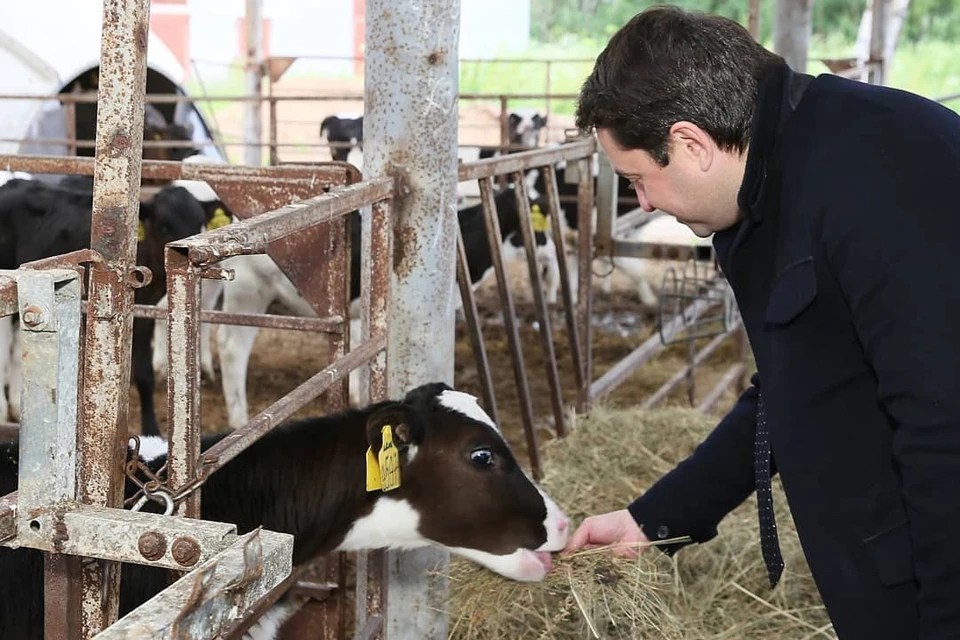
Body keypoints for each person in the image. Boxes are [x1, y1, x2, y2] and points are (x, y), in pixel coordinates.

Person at [563, 5, 960, 640]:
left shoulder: (887, 175)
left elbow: (946, 432)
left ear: (690, 144)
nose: (642, 203)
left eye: (637, 179)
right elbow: (794, 385)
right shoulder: (775, 181)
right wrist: (655, 521)